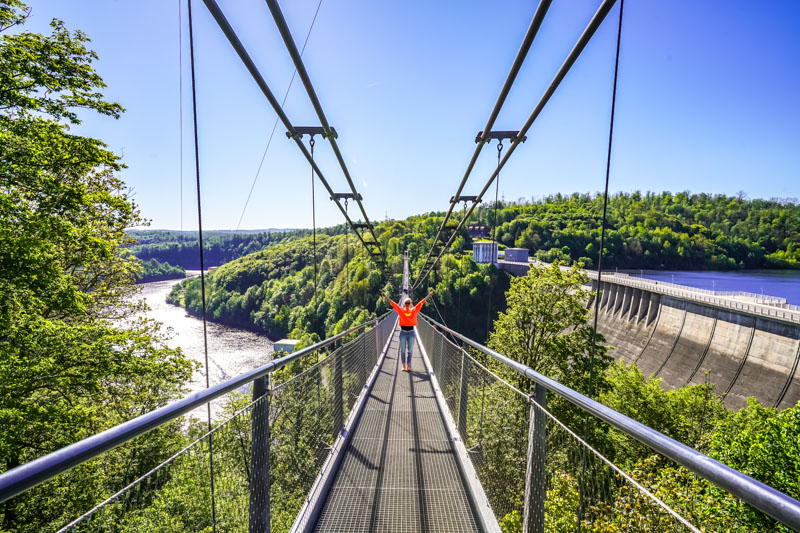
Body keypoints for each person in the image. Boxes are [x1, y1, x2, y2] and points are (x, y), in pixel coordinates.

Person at [381, 290, 433, 371]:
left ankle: (409, 365)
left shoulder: (414, 310)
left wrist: (429, 295)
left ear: (411, 303)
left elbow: (421, 302)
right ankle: (403, 365)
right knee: (402, 350)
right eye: (406, 303)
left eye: (409, 303)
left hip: (411, 333)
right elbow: (393, 303)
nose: (408, 304)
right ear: (404, 304)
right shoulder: (401, 310)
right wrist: (386, 296)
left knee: (410, 351)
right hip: (403, 333)